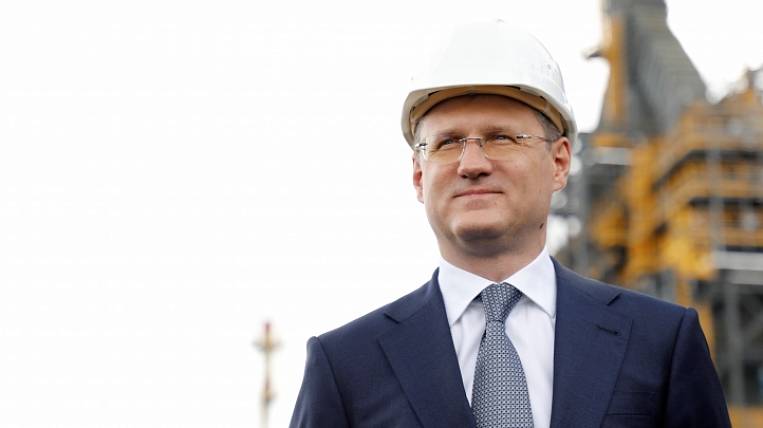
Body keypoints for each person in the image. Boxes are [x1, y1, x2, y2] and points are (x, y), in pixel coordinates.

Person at [289, 21, 730, 428]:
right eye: (447, 142)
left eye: (502, 137)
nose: (472, 164)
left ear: (559, 163)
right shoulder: (344, 367)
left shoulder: (661, 344)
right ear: (419, 175)